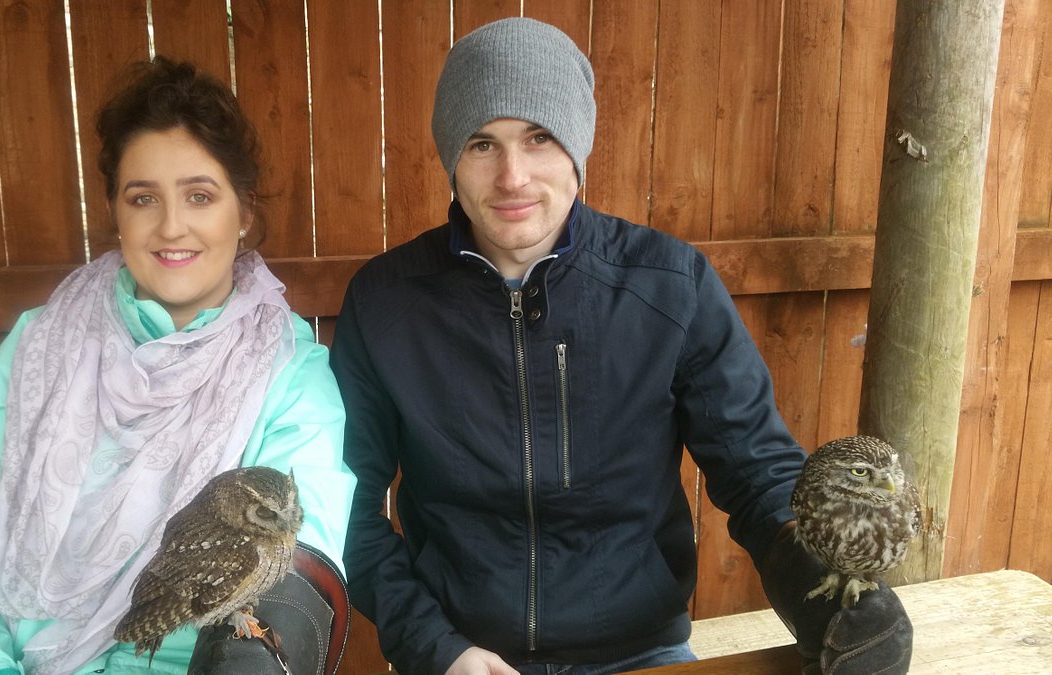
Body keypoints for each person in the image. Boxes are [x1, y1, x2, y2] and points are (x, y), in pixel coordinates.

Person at [331, 17, 912, 675]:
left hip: (641, 652)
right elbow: (345, 506)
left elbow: (757, 472)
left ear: (577, 147)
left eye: (539, 137)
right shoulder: (386, 304)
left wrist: (825, 596)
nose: (513, 176)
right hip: (458, 654)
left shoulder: (671, 286)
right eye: (483, 143)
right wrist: (437, 648)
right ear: (452, 160)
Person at [0, 56, 355, 675]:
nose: (172, 226)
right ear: (115, 212)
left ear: (244, 212)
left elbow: (297, 563)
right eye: (143, 198)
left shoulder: (288, 374)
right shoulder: (38, 351)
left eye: (200, 196)